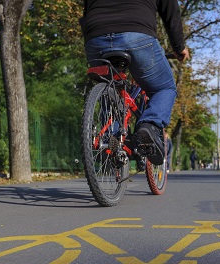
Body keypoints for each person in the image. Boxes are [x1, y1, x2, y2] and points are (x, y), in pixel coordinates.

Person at [80, 0, 190, 165]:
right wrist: (178, 46)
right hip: (136, 36)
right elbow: (170, 11)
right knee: (164, 87)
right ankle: (150, 124)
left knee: (113, 88)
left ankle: (111, 140)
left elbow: (87, 10)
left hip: (95, 38)